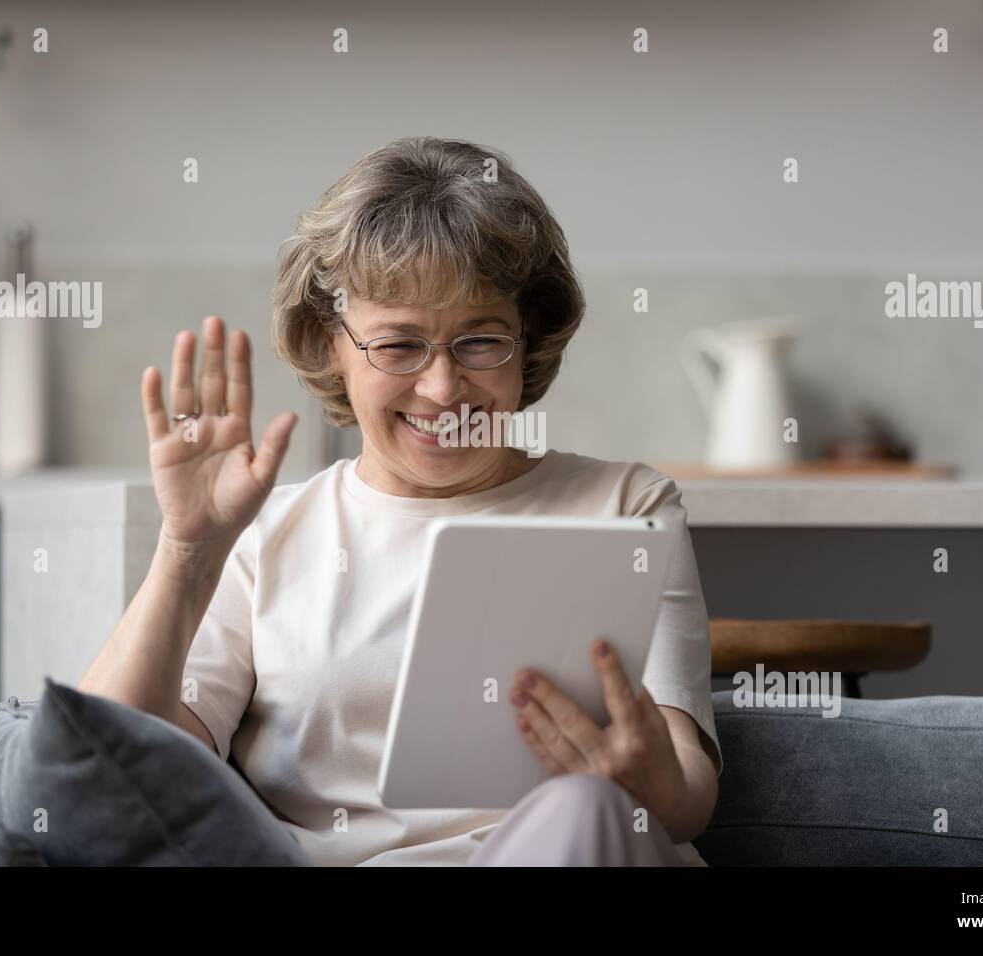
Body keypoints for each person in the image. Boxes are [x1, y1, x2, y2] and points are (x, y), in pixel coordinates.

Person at [78, 136, 722, 866]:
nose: (443, 388)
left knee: (584, 806)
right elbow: (109, 776)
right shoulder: (266, 537)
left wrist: (651, 782)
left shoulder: (626, 503)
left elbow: (689, 796)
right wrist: (187, 549)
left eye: (480, 341)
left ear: (527, 337)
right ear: (332, 346)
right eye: (399, 346)